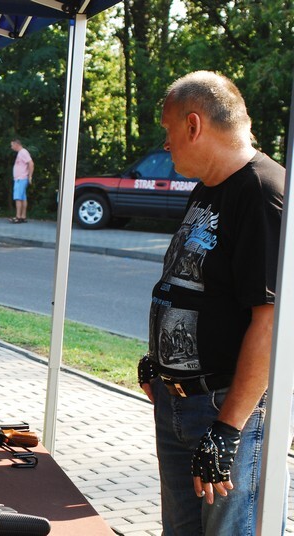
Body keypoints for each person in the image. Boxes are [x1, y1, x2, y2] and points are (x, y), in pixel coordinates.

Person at [137, 71, 285, 535]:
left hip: (224, 410)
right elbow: (192, 284)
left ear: (194, 125)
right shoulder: (208, 187)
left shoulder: (264, 194)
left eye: (168, 129)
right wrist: (160, 360)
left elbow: (273, 322)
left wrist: (228, 429)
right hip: (178, 402)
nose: (166, 143)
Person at [9, 138, 33, 223]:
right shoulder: (21, 153)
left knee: (18, 198)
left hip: (20, 178)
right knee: (23, 198)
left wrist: (30, 176)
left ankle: (18, 217)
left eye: (12, 145)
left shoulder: (23, 152)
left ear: (16, 144)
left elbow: (31, 163)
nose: (11, 147)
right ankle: (23, 216)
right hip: (21, 178)